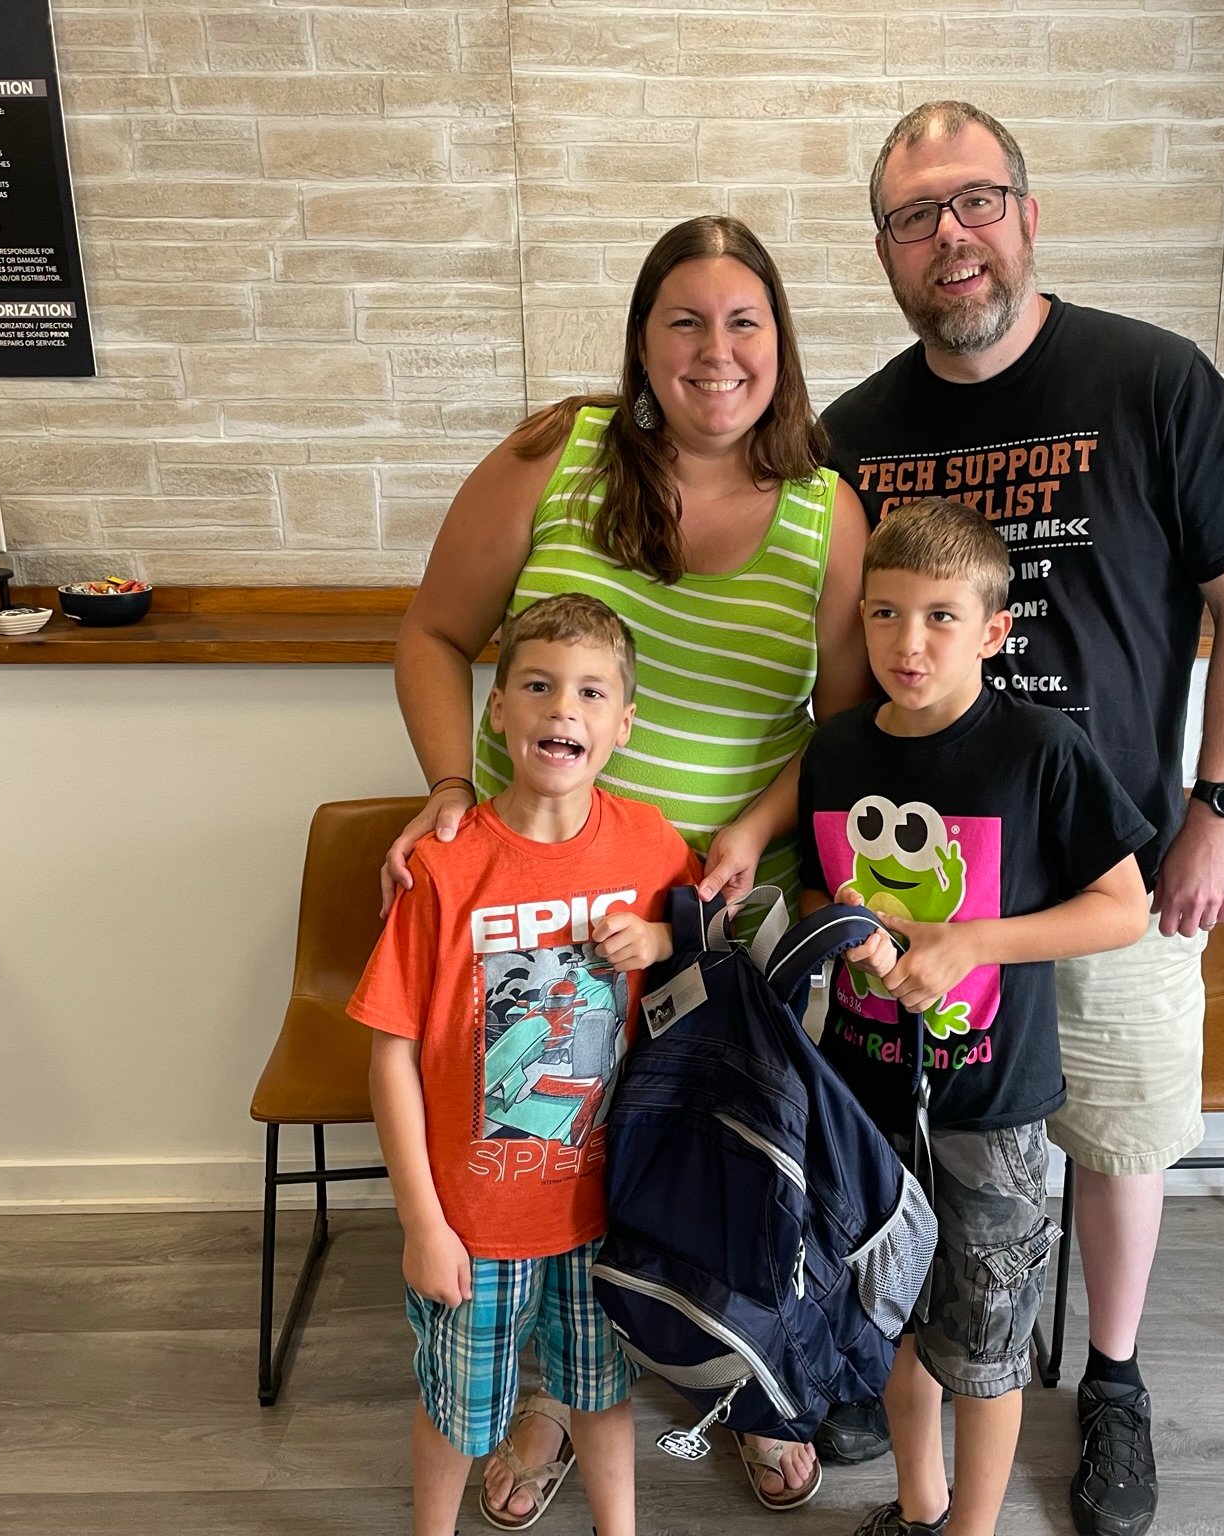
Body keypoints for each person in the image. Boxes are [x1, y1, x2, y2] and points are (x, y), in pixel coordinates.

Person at [819, 103, 1224, 1536]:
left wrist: (1219, 807)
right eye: (916, 216)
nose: (950, 237)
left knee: (1117, 1132)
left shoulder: (1150, 378)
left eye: (975, 202)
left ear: (1027, 217)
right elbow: (845, 663)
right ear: (886, 252)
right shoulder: (854, 434)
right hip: (921, 890)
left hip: (1112, 861)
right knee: (937, 1153)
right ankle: (922, 1355)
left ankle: (1112, 1379)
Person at [382, 215, 870, 1517]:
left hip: (718, 923)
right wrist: (449, 787)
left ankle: (745, 1382)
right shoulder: (556, 454)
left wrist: (753, 831)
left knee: (729, 1173)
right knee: (552, 1158)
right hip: (540, 917)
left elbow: (843, 730)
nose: (717, 350)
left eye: (744, 321)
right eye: (684, 321)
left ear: (780, 341)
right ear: (642, 341)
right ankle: (548, 1398)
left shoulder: (826, 511)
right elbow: (433, 632)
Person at [798, 500, 1153, 1536]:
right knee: (895, 1325)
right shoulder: (835, 750)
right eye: (884, 614)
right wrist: (850, 931)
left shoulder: (1039, 750)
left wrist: (971, 942)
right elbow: (819, 887)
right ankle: (920, 1508)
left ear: (995, 630)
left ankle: (972, 1529)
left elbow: (1122, 909)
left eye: (940, 617)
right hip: (862, 1099)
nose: (907, 643)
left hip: (991, 1108)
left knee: (987, 1344)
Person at [352, 595, 700, 1536]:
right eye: (539, 686)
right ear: (497, 709)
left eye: (591, 692)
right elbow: (391, 1054)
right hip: (474, 1223)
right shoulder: (443, 866)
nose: (563, 709)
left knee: (601, 1389)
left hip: (604, 1211)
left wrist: (661, 936)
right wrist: (422, 1223)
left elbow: (709, 942)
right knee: (460, 1411)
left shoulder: (650, 842)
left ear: (623, 725)